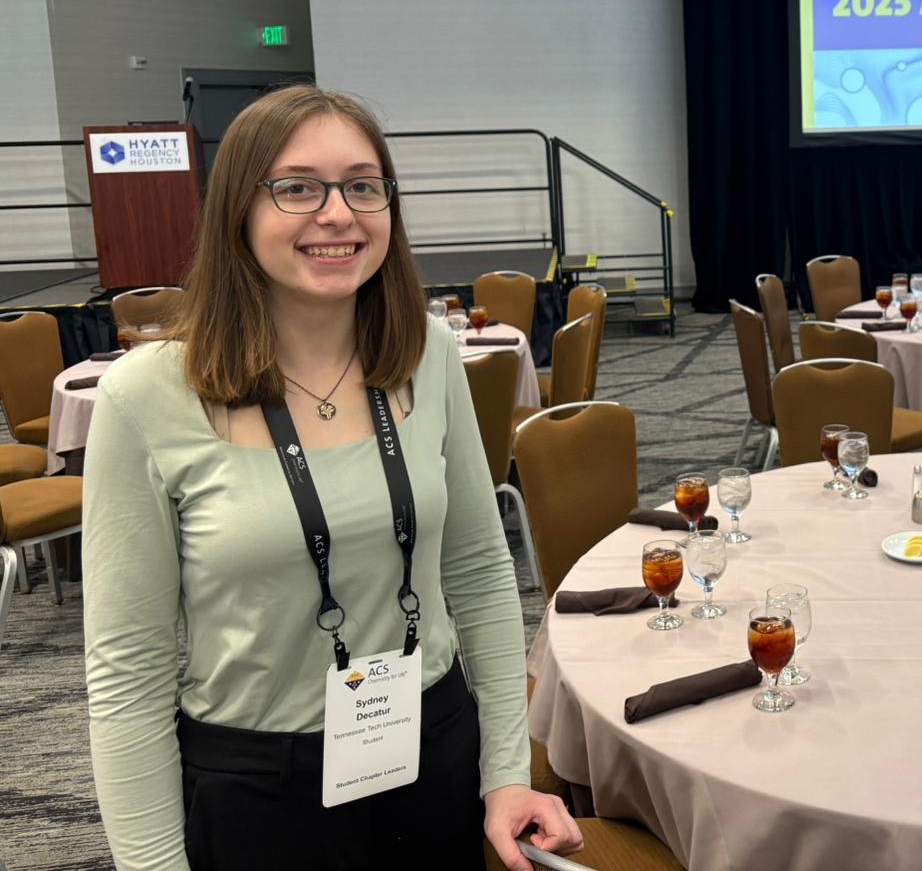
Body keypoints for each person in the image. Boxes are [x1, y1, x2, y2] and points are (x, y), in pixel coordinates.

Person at [83, 86, 582, 869]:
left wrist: (506, 774)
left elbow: (480, 572)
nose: (338, 213)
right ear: (238, 212)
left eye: (362, 184)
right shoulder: (146, 396)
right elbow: (127, 671)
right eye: (296, 187)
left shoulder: (426, 354)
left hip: (433, 749)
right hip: (259, 785)